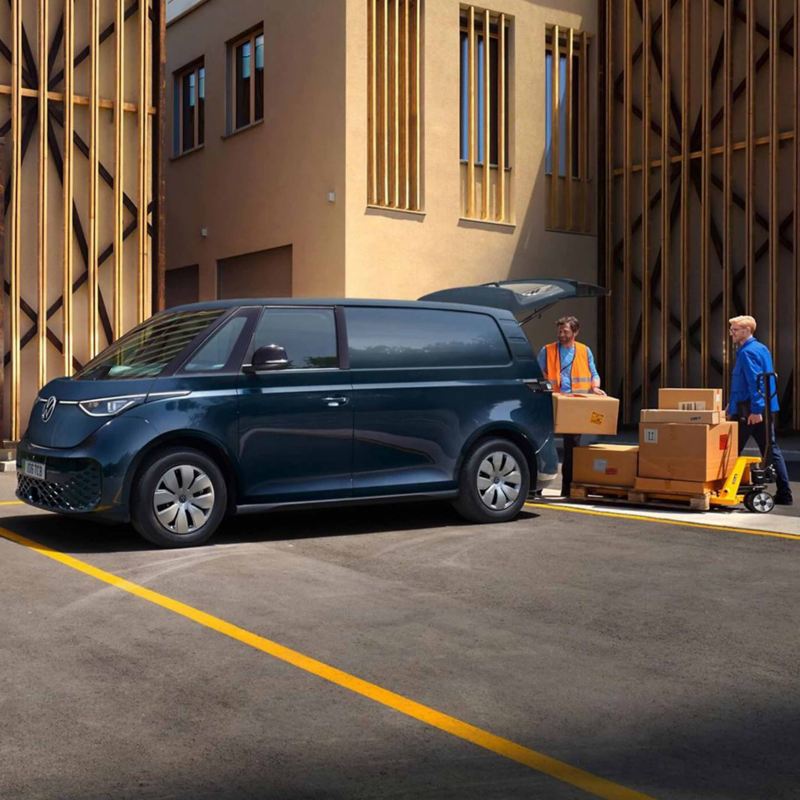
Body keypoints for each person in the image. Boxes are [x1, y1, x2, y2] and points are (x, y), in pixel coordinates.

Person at [727, 315, 793, 505]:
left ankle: (727, 487)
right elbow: (748, 383)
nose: (732, 333)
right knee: (771, 449)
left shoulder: (747, 352)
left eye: (735, 330)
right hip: (757, 408)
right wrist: (731, 405)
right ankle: (784, 493)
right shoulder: (760, 348)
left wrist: (756, 410)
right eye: (732, 330)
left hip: (750, 411)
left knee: (731, 449)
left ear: (747, 331)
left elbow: (757, 383)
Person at [537, 316, 605, 498]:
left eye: (565, 331)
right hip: (551, 402)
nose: (561, 335)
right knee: (542, 443)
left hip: (575, 405)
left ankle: (568, 489)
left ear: (575, 332)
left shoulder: (584, 351)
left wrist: (596, 387)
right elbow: (537, 376)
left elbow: (594, 374)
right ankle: (536, 488)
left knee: (572, 447)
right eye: (559, 331)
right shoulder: (548, 350)